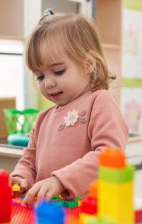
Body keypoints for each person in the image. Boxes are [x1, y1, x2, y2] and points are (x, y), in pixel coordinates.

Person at [10, 10, 128, 204]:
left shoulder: (100, 102)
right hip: (51, 215)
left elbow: (110, 157)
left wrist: (60, 181)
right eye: (40, 76)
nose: (48, 83)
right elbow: (28, 162)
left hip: (91, 217)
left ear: (89, 64)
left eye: (58, 71)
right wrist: (21, 177)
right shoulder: (43, 119)